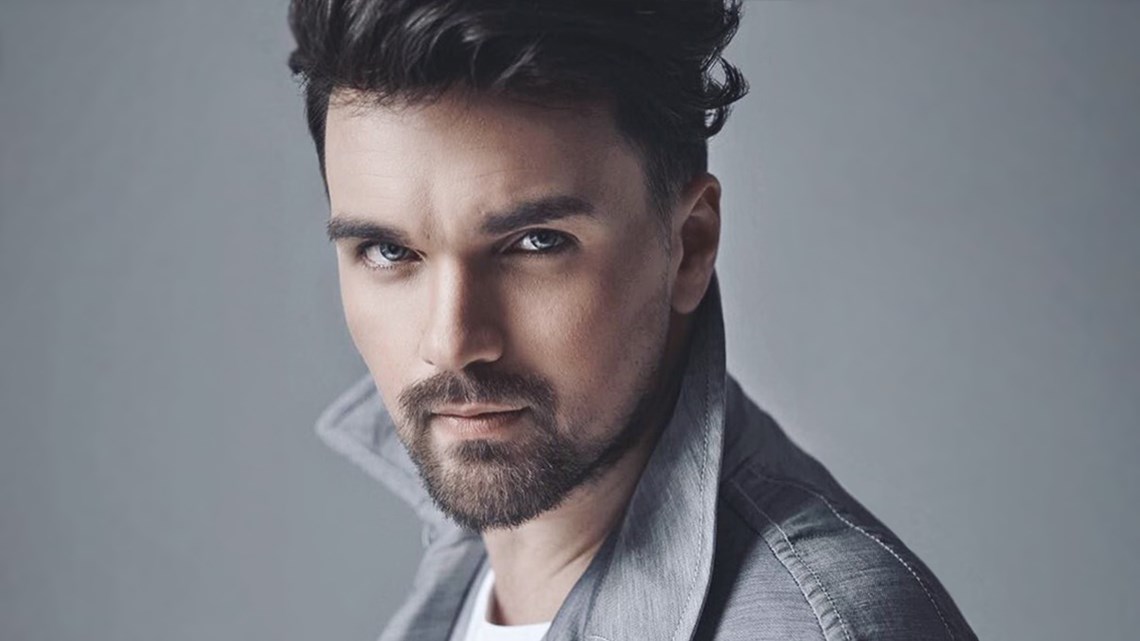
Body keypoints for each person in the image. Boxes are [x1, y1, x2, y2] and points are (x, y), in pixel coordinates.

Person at [286, 1, 978, 639]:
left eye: (536, 243)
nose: (452, 343)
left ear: (690, 245)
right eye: (388, 251)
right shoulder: (463, 580)